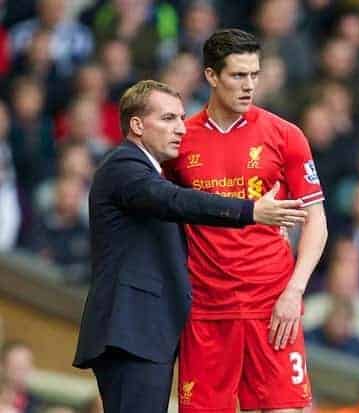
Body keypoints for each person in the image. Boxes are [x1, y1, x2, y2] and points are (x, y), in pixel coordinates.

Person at [73, 80, 308, 413]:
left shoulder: (150, 173)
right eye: (168, 119)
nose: (181, 129)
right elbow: (172, 201)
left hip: (146, 335)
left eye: (182, 118)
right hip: (131, 333)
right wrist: (251, 211)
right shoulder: (124, 167)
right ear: (137, 125)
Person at [163, 29, 328, 412]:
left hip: (271, 307)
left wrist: (295, 290)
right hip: (206, 309)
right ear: (211, 76)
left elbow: (316, 219)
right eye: (238, 75)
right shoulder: (179, 140)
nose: (249, 85)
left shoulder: (285, 135)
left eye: (255, 74)